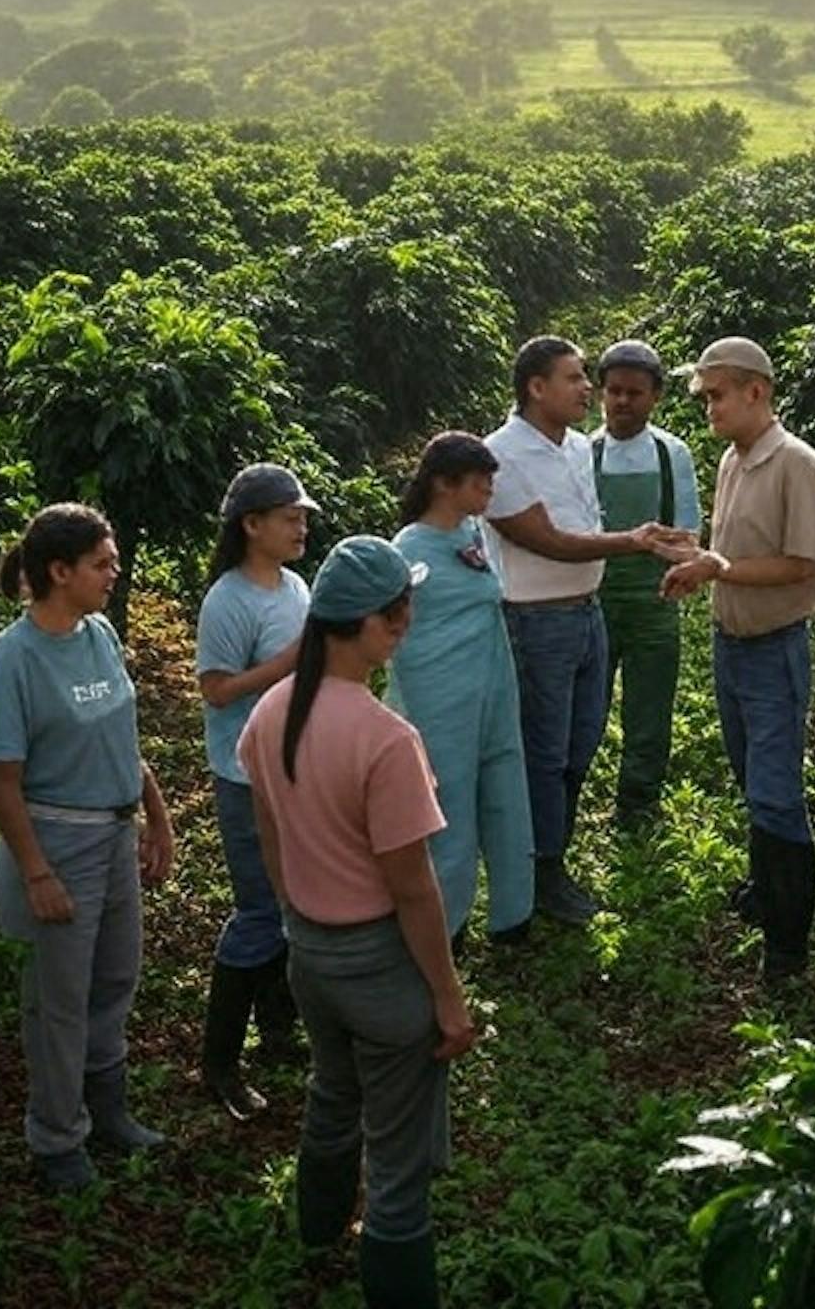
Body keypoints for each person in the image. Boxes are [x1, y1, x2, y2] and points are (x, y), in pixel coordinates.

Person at [239, 535, 475, 1309]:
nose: (405, 623)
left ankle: (315, 1239)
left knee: (333, 1098)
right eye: (400, 612)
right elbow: (412, 889)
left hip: (309, 953)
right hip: (379, 967)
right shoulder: (386, 740)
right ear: (378, 625)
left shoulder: (273, 711)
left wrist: (297, 914)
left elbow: (270, 833)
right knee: (399, 1163)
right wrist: (447, 997)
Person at [0, 503, 176, 1194]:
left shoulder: (98, 635)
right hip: (59, 841)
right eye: (101, 563)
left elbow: (121, 734)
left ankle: (106, 1108)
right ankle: (57, 1138)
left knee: (116, 976)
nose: (114, 573)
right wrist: (36, 871)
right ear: (59, 572)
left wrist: (157, 816)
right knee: (58, 999)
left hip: (115, 835)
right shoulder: (14, 658)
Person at [484, 336, 689, 925]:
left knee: (580, 746)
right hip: (536, 622)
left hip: (586, 613)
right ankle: (538, 870)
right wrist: (633, 540)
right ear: (536, 388)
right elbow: (545, 539)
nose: (588, 391)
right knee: (544, 754)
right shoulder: (501, 456)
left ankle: (552, 855)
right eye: (576, 379)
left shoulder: (575, 447)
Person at [660, 337, 815, 984]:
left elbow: (806, 563)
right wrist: (694, 555)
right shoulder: (735, 461)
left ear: (756, 391)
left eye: (716, 395)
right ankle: (766, 891)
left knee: (776, 794)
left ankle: (787, 950)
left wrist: (719, 567)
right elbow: (733, 554)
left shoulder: (795, 463)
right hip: (732, 647)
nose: (709, 408)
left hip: (772, 650)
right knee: (749, 777)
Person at [194, 463, 316, 1121]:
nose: (301, 527)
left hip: (291, 769)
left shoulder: (295, 586)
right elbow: (215, 690)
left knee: (291, 898)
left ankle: (276, 1030)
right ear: (251, 525)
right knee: (259, 910)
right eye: (290, 518)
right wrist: (285, 665)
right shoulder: (229, 600)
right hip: (246, 778)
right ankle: (218, 1062)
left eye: (302, 517)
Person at [389, 433, 535, 945]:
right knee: (448, 809)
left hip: (491, 686)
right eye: (480, 482)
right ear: (444, 484)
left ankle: (512, 915)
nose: (489, 492)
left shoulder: (471, 533)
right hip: (440, 697)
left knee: (504, 792)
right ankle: (441, 931)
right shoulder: (406, 550)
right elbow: (394, 633)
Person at [590, 340, 703, 830]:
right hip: (594, 599)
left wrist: (670, 556)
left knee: (649, 712)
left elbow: (688, 531)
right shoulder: (583, 451)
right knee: (585, 711)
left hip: (656, 599)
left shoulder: (670, 452)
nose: (622, 402)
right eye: (613, 391)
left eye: (634, 392)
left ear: (655, 396)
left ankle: (638, 806)